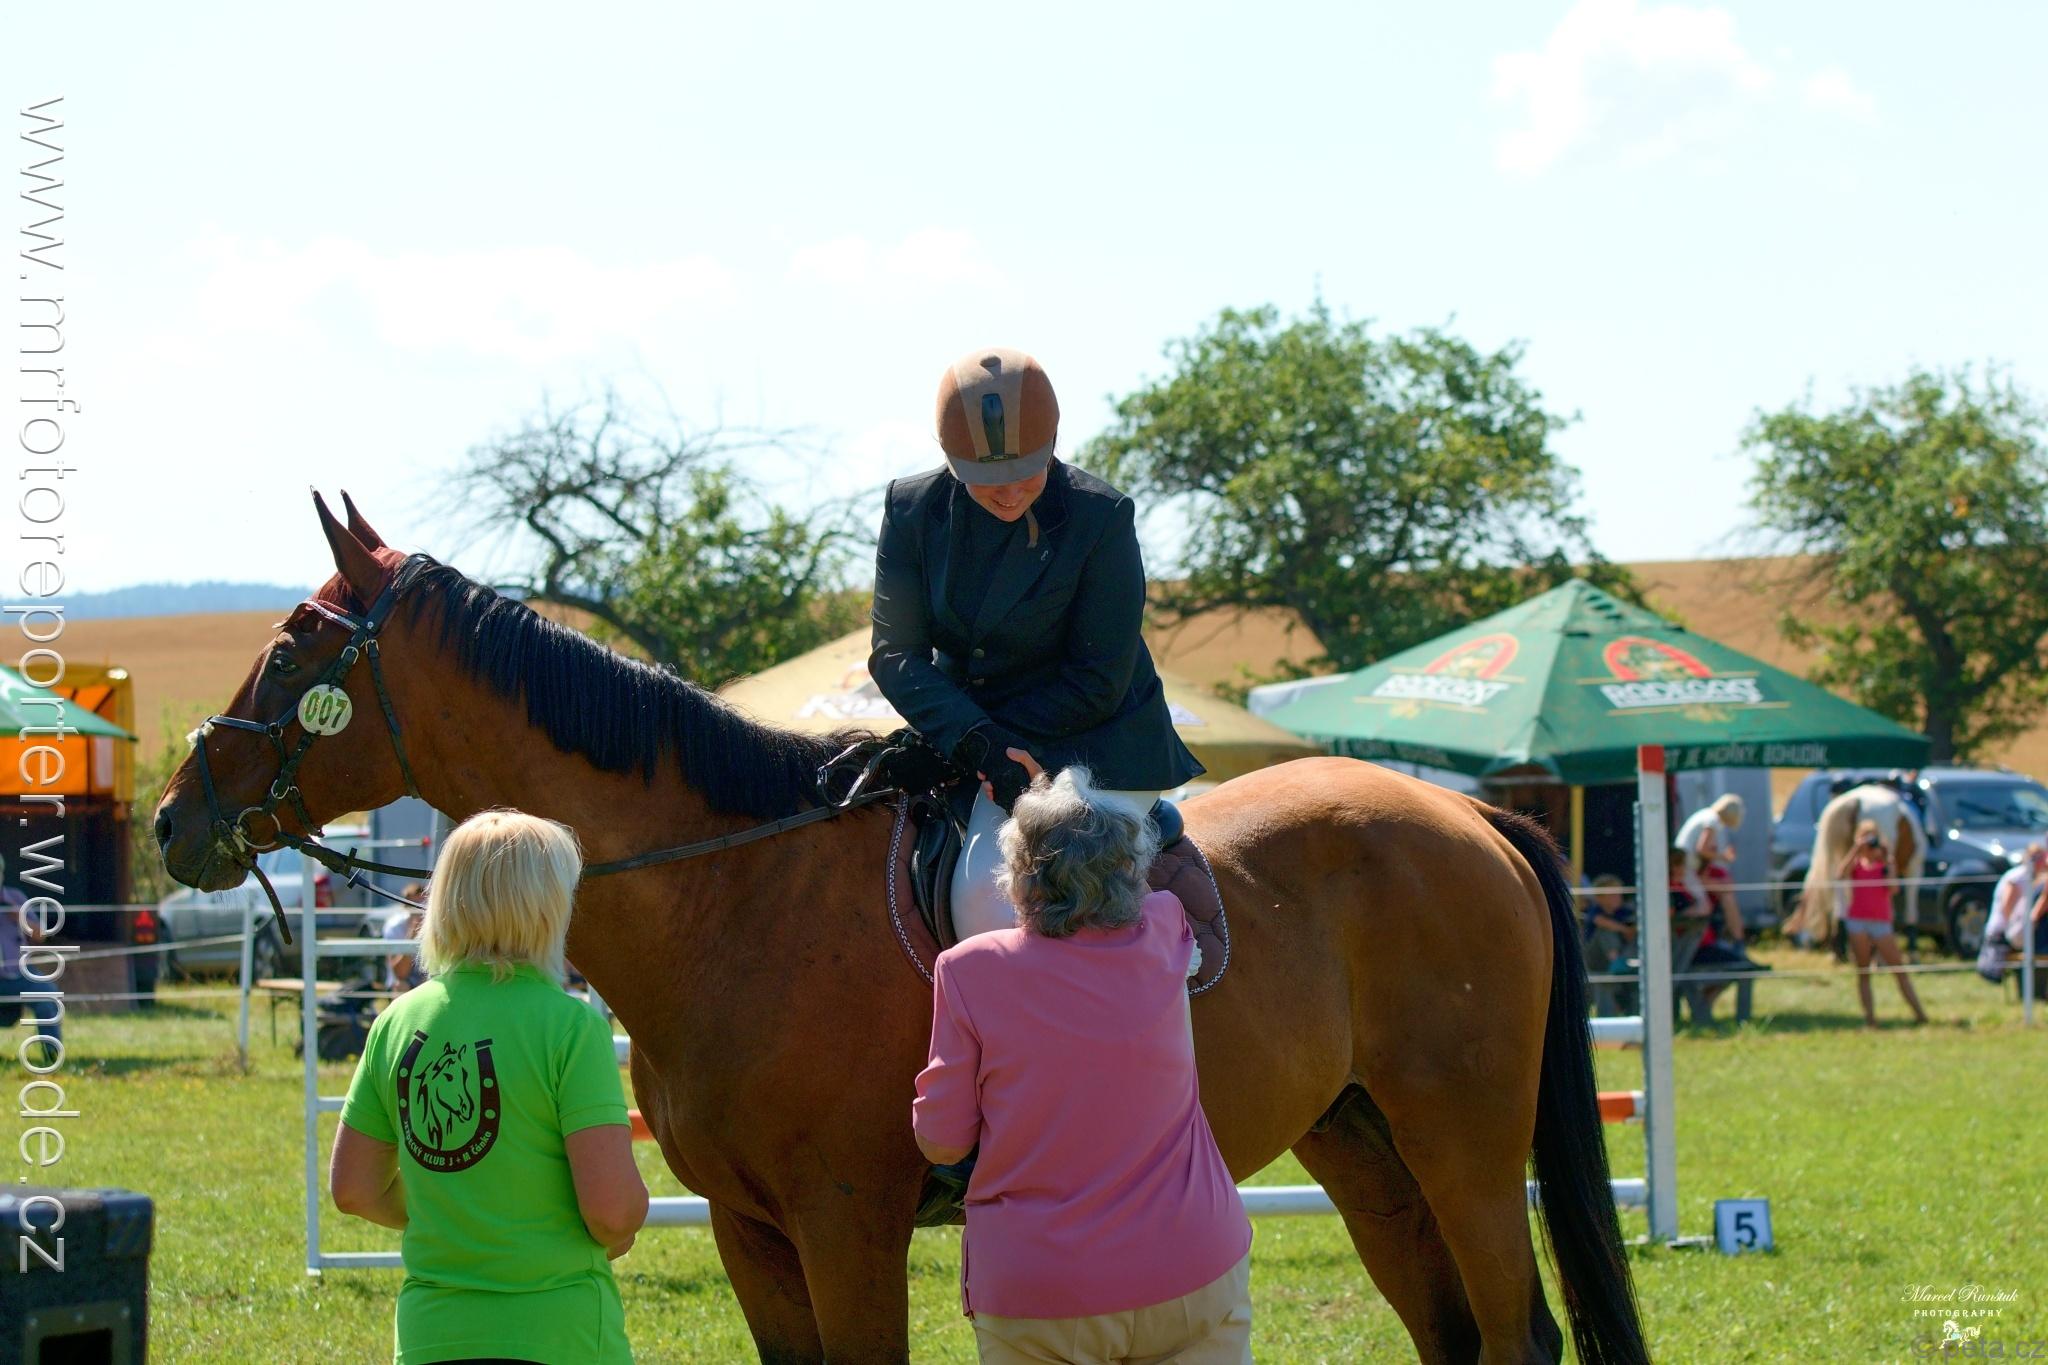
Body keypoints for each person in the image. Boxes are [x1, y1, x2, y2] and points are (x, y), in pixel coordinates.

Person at [913, 765, 1253, 1364]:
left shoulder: (967, 969)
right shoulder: (1167, 922)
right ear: (1131, 867)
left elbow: (942, 1143)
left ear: (1019, 872)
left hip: (1043, 1291)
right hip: (1198, 1265)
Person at [869, 346, 1203, 940]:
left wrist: (984, 743)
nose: (1006, 493)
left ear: (1052, 443)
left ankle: (1159, 980)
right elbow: (895, 652)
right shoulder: (911, 509)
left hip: (1098, 739)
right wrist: (974, 741)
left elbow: (1098, 678)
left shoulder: (1100, 516)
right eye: (984, 479)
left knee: (987, 893)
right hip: (977, 741)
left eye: (1025, 471)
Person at [331, 810, 647, 1364]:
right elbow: (612, 1213)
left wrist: (461, 1215)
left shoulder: (396, 1022)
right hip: (560, 1335)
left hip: (432, 1335)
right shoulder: (571, 1027)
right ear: (549, 907)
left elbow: (353, 1189)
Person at [1836, 819, 1929, 1028]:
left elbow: (1894, 889)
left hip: (1880, 922)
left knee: (1899, 969)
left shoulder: (1884, 864)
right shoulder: (1856, 865)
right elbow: (1840, 874)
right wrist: (1856, 849)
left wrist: (1888, 860)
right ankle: (1870, 1019)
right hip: (1858, 921)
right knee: (1863, 971)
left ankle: (1920, 1014)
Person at [1979, 842, 2048, 987]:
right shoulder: (2018, 877)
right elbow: (2007, 909)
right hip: (2002, 930)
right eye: (2039, 858)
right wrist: (2018, 929)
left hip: (2016, 928)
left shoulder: (2034, 877)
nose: (2043, 862)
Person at [1582, 874, 1637, 1017]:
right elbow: (1600, 921)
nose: (1618, 898)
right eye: (1612, 895)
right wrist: (1624, 929)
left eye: (1619, 894)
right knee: (1605, 932)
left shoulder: (1623, 912)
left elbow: (1634, 925)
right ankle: (1617, 962)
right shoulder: (1595, 910)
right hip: (1595, 960)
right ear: (1599, 898)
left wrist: (1631, 931)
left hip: (1618, 956)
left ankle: (1622, 963)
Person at [381, 882, 427, 995]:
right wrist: (411, 934)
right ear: (405, 906)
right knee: (400, 986)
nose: (420, 910)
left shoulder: (436, 926)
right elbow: (400, 973)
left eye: (423, 905)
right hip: (405, 981)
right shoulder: (394, 927)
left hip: (427, 979)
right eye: (414, 905)